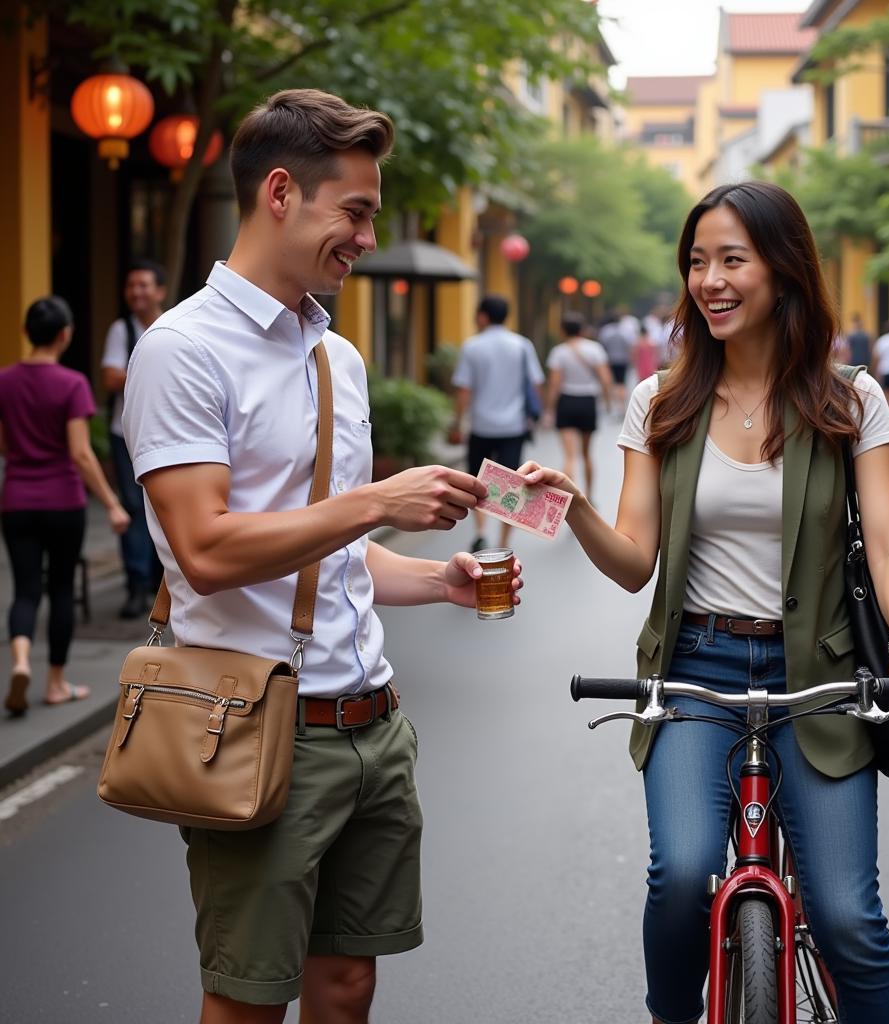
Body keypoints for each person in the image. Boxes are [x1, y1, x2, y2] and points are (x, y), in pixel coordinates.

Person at [121, 89, 520, 1024]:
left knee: (348, 985)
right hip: (260, 726)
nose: (367, 237)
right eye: (356, 211)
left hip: (373, 722)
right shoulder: (182, 351)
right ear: (279, 194)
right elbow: (207, 551)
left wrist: (436, 581)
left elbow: (326, 558)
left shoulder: (338, 355)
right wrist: (379, 499)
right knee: (249, 999)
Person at [520, 181, 889, 1024]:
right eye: (696, 262)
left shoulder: (849, 400)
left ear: (784, 270)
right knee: (681, 873)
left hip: (824, 678)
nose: (709, 280)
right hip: (694, 672)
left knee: (845, 917)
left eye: (732, 259)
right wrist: (575, 503)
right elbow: (632, 564)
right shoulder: (661, 402)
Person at [0, 297, 129, 716]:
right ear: (65, 334)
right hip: (63, 501)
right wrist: (112, 504)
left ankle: (20, 661)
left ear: (25, 333)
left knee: (24, 590)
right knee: (59, 590)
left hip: (17, 498)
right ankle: (55, 684)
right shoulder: (72, 384)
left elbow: (4, 443)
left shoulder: (5, 381)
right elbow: (80, 453)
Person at [449, 294, 544, 553]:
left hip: (481, 426)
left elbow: (464, 391)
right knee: (512, 485)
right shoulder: (522, 345)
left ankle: (481, 531)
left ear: (482, 316)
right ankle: (503, 542)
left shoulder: (472, 346)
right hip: (513, 426)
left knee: (478, 482)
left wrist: (457, 423)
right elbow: (535, 383)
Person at [101, 259, 167, 619]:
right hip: (124, 434)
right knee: (132, 510)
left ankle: (165, 583)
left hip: (165, 433)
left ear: (160, 291)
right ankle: (136, 586)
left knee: (165, 506)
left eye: (143, 285)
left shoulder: (176, 323)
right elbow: (110, 378)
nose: (136, 292)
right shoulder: (120, 329)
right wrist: (156, 372)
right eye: (131, 286)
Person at [545, 312, 612, 500]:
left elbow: (555, 384)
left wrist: (549, 409)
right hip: (588, 402)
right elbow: (605, 379)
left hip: (566, 401)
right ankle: (589, 496)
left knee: (569, 457)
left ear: (563, 331)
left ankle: (569, 501)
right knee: (586, 454)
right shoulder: (595, 349)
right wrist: (606, 401)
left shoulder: (559, 352)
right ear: (582, 330)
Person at [598, 307, 639, 411]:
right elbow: (631, 346)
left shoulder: (606, 331)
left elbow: (602, 345)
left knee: (613, 382)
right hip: (623, 360)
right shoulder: (626, 331)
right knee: (622, 383)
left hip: (610, 359)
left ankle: (614, 404)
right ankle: (621, 405)